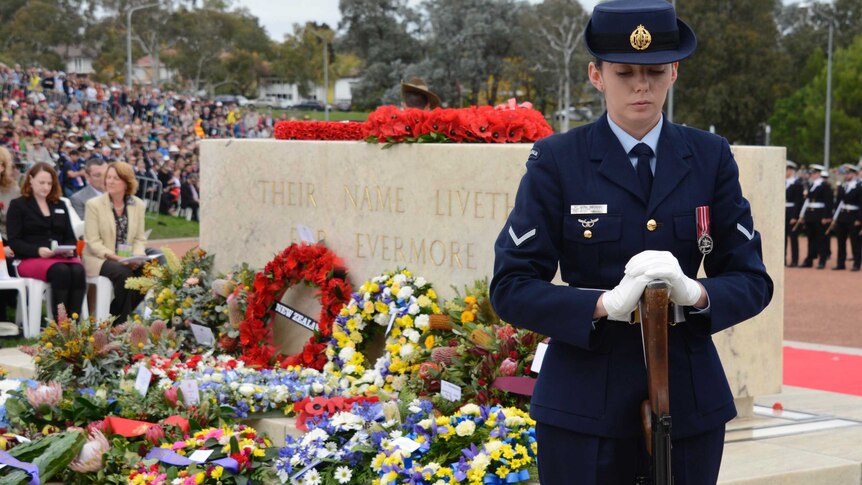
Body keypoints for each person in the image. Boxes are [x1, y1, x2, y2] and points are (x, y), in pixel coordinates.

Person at [489, 1, 773, 483]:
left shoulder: (709, 157)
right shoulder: (558, 160)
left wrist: (696, 293)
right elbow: (512, 285)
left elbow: (751, 279)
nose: (641, 85)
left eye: (654, 71)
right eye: (624, 72)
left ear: (674, 73)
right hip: (584, 406)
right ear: (596, 75)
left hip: (687, 398)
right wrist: (600, 305)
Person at [7, 162, 86, 317]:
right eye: (41, 182)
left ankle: (74, 324)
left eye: (49, 183)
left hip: (59, 257)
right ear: (30, 180)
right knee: (61, 271)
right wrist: (38, 251)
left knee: (78, 270)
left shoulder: (60, 204)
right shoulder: (18, 205)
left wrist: (69, 250)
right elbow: (15, 241)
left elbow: (70, 236)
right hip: (29, 258)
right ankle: (61, 325)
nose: (46, 187)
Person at [83, 161, 147, 323]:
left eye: (116, 178)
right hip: (99, 258)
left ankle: (114, 314)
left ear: (127, 182)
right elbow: (93, 242)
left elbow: (139, 238)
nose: (110, 181)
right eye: (108, 177)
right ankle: (122, 323)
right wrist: (118, 259)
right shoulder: (94, 205)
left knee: (151, 271)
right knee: (123, 273)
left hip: (127, 257)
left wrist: (137, 257)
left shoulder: (137, 204)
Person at [0, 147, 20, 320]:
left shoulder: (12, 189)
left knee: (12, 258)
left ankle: (12, 302)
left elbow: (19, 221)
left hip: (9, 238)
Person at [800, 164, 832, 269]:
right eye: (811, 173)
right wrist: (803, 215)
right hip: (810, 214)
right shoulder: (812, 185)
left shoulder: (825, 186)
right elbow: (808, 201)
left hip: (819, 214)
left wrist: (826, 216)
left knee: (821, 238)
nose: (812, 175)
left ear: (818, 174)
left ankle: (822, 260)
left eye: (814, 173)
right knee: (811, 238)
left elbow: (828, 202)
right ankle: (809, 259)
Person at [831, 163, 861, 271]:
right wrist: (835, 216)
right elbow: (838, 202)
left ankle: (857, 263)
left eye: (849, 173)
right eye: (846, 173)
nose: (846, 175)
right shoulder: (843, 186)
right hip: (842, 216)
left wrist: (859, 219)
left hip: (853, 216)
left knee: (855, 241)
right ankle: (840, 263)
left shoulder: (859, 187)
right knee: (841, 241)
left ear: (854, 174)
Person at [785, 160, 804, 267]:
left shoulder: (797, 184)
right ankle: (783, 259)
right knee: (783, 238)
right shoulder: (784, 182)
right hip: (784, 211)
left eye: (786, 169)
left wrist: (795, 216)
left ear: (791, 170)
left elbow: (798, 201)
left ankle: (794, 260)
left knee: (793, 237)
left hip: (792, 212)